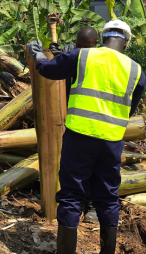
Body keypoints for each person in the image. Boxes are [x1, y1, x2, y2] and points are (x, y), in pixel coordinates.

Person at [27, 20, 146, 254]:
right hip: (112, 141)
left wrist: (37, 54)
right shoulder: (136, 69)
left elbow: (48, 69)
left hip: (80, 137)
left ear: (103, 37)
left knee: (71, 195)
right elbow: (129, 109)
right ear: (126, 42)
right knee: (108, 196)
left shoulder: (83, 56)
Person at [50, 26, 101, 224]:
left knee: (94, 168)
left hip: (98, 121)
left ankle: (93, 205)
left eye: (85, 46)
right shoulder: (73, 53)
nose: (81, 50)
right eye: (79, 46)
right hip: (75, 121)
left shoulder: (101, 60)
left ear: (95, 45)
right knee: (74, 168)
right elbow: (58, 61)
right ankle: (74, 206)